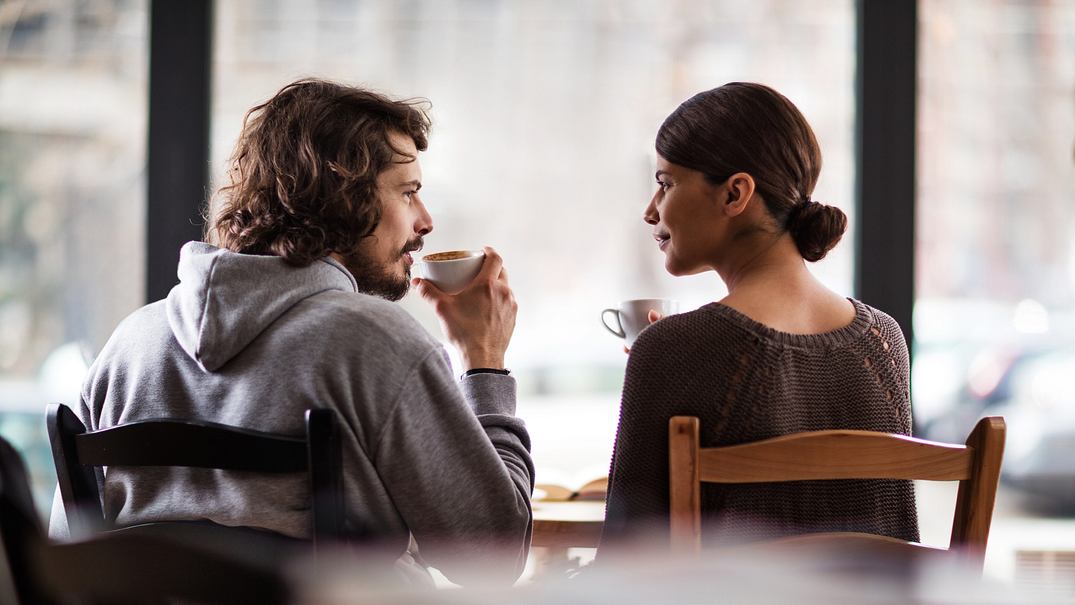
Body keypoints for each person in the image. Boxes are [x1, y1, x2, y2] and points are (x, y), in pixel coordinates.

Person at [48, 78, 534, 586]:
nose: (426, 221)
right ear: (345, 194)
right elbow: (491, 558)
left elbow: (66, 557)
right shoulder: (376, 342)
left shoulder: (128, 347)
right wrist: (484, 360)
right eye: (408, 193)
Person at [597, 82, 919, 555]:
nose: (650, 211)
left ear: (735, 194)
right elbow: (895, 538)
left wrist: (664, 363)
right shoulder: (883, 340)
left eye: (665, 184)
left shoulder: (672, 347)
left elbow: (626, 560)